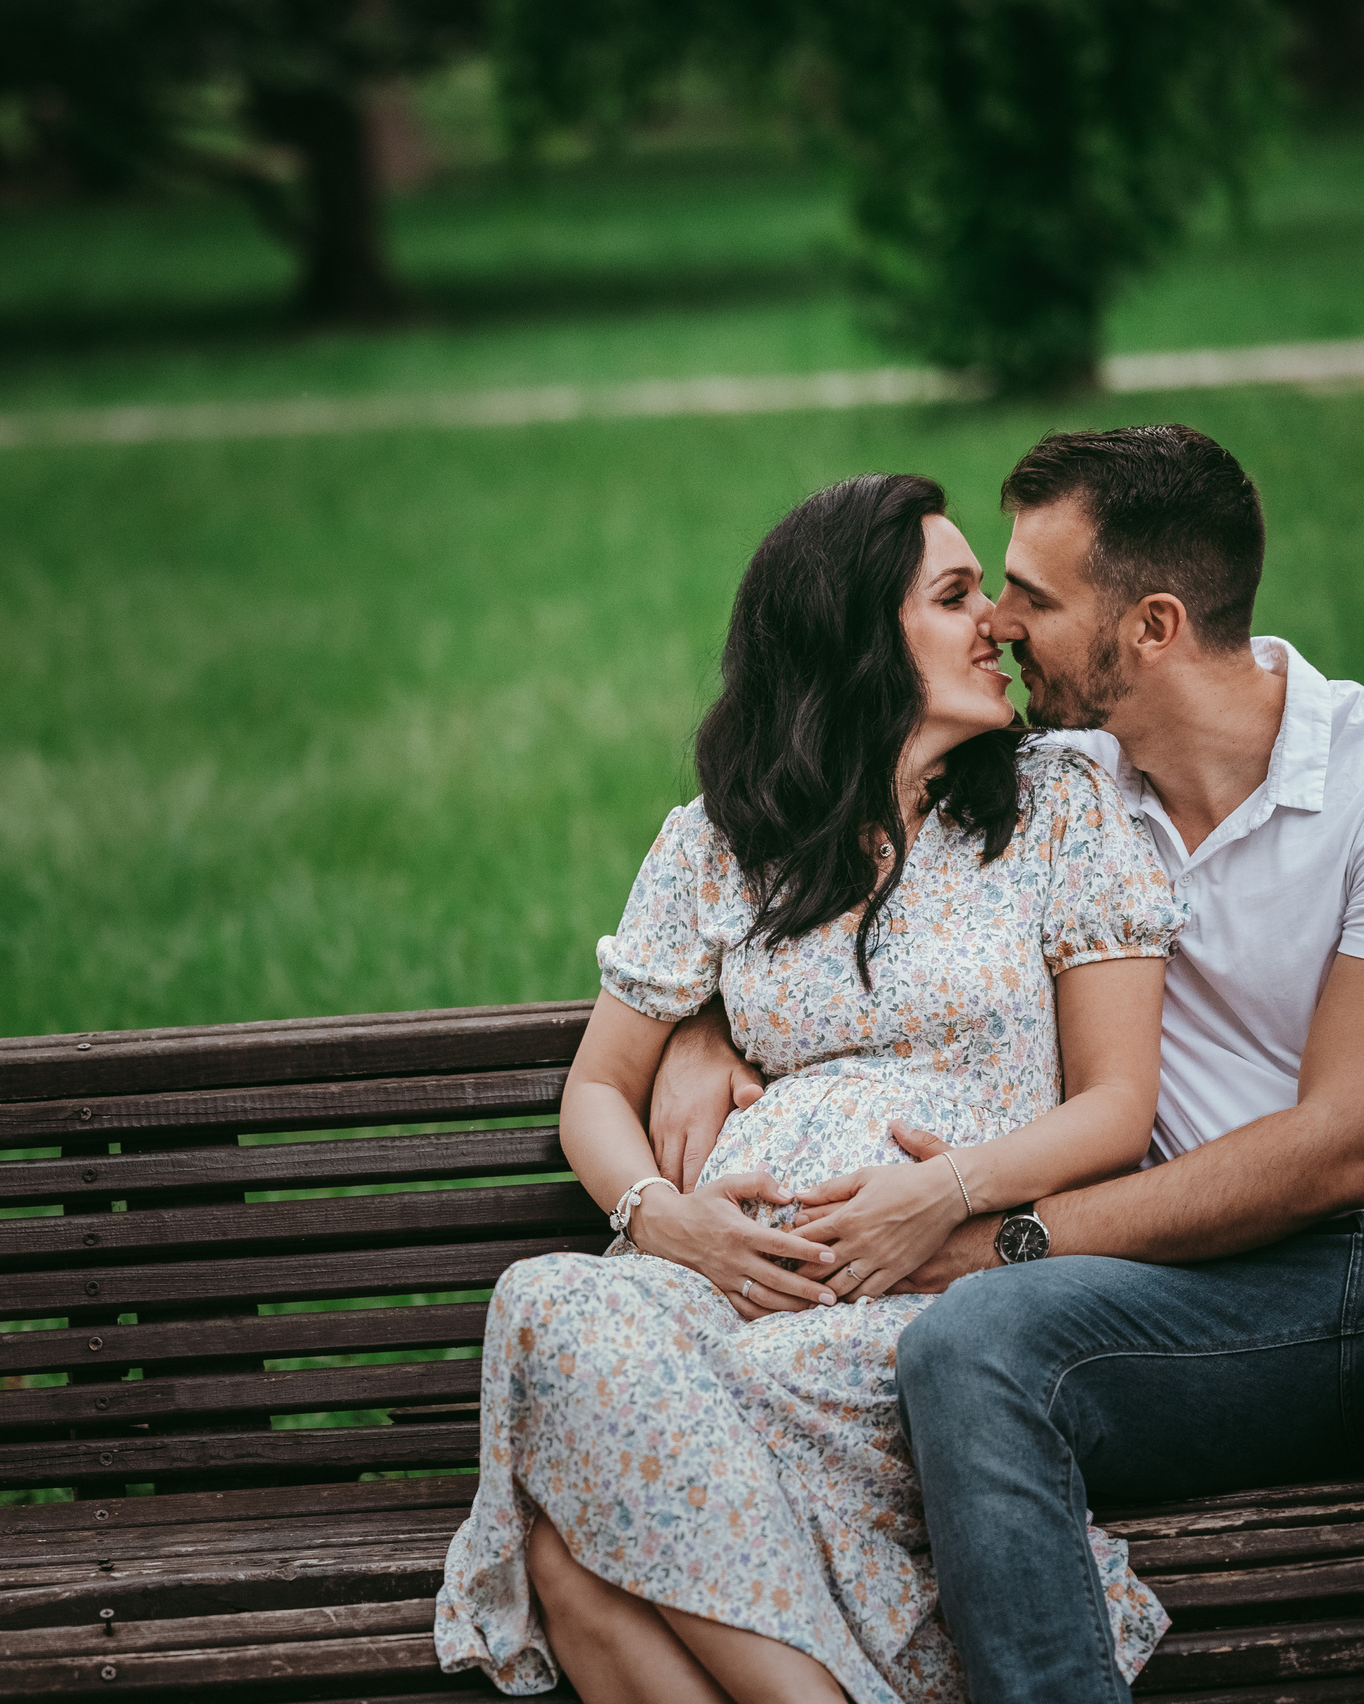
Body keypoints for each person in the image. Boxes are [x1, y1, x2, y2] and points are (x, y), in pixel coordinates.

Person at [650, 426, 1364, 1704]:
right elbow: (821, 851)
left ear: (1149, 626)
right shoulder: (1058, 788)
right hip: (1193, 1312)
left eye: (1033, 598)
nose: (995, 619)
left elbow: (1347, 1149)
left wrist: (1002, 1236)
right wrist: (707, 1024)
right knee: (969, 1350)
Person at [433, 472, 1193, 1704]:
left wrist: (935, 1195)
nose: (996, 623)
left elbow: (1117, 1105)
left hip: (937, 1292)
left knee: (579, 1561)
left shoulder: (1059, 810)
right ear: (855, 641)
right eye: (954, 598)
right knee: (549, 1304)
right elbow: (594, 1094)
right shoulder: (724, 841)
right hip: (720, 1286)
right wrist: (665, 1219)